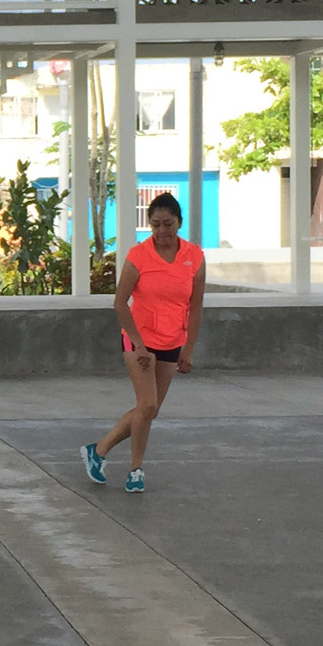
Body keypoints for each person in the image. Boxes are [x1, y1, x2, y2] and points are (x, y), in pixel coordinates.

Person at [82, 191, 204, 495]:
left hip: (172, 340)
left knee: (149, 410)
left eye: (168, 224)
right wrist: (137, 344)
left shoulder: (194, 257)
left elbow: (196, 306)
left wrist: (188, 348)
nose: (162, 232)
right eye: (155, 225)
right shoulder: (139, 255)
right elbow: (120, 303)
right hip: (140, 339)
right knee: (147, 404)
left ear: (179, 223)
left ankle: (98, 451)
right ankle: (136, 470)